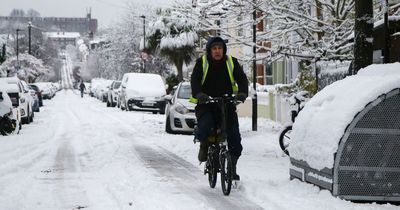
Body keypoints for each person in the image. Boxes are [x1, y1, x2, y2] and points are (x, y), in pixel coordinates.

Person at [190, 36, 248, 181]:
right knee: (205, 127)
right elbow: (195, 80)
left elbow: (242, 79)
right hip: (206, 105)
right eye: (214, 48)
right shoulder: (202, 62)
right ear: (210, 51)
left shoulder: (231, 62)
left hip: (226, 104)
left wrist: (242, 93)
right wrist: (199, 94)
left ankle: (232, 169)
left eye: (220, 48)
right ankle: (204, 145)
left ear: (223, 50)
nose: (217, 51)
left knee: (234, 137)